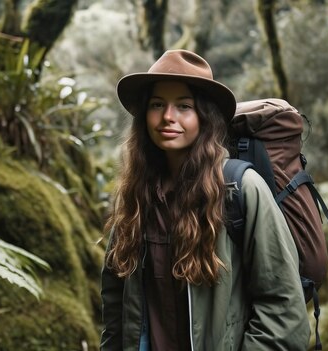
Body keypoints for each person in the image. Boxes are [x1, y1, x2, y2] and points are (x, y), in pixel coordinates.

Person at [100, 49, 310, 351]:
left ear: (204, 117)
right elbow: (114, 299)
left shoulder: (241, 189)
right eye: (157, 104)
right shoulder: (136, 196)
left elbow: (283, 308)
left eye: (183, 106)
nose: (167, 117)